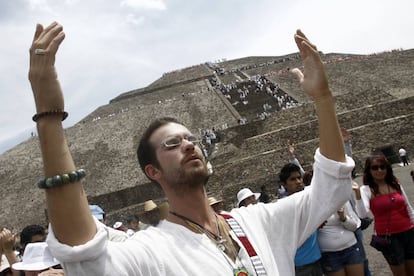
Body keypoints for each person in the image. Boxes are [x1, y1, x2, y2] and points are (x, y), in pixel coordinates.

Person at [29, 23, 353, 275]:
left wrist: (324, 99)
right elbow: (85, 257)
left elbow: (331, 187)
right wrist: (49, 118)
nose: (187, 144)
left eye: (190, 138)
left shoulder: (258, 221)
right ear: (152, 171)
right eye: (172, 143)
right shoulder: (152, 250)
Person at [355, 152, 414, 275]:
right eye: (375, 167)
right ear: (369, 170)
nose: (380, 170)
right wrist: (358, 196)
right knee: (400, 273)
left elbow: (408, 208)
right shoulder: (366, 190)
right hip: (390, 238)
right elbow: (362, 214)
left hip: (409, 231)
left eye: (383, 166)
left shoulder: (395, 184)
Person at [317, 202, 364, 275]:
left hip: (351, 248)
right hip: (329, 253)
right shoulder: (312, 203)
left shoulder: (340, 200)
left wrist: (344, 218)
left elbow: (354, 227)